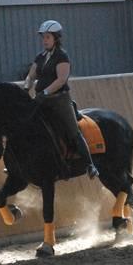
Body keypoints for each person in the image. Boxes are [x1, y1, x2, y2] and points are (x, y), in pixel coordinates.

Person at [24, 20, 99, 180]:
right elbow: (31, 75)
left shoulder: (61, 56)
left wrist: (44, 91)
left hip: (59, 100)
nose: (44, 40)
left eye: (48, 37)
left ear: (56, 38)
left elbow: (61, 79)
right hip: (41, 99)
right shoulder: (41, 57)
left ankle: (89, 165)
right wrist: (26, 87)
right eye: (43, 37)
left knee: (73, 131)